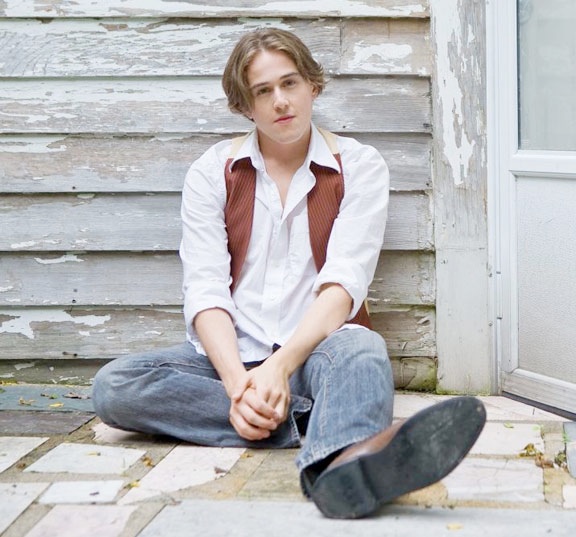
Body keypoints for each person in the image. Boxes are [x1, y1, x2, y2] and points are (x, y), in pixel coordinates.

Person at [92, 28, 486, 519]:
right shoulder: (213, 171)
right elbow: (206, 291)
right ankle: (333, 434)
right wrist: (238, 386)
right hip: (231, 357)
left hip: (317, 351)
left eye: (290, 83)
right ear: (245, 106)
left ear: (312, 85)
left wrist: (279, 369)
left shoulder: (359, 165)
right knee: (116, 386)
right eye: (263, 91)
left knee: (364, 350)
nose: (280, 100)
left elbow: (343, 285)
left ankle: (332, 464)